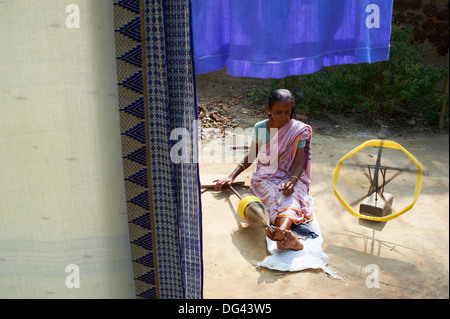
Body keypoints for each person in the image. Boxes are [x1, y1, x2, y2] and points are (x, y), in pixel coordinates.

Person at [214, 89, 313, 251]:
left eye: (287, 112)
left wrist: (292, 181)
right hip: (265, 176)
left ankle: (283, 232)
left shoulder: (297, 131)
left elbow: (299, 163)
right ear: (268, 109)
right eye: (278, 112)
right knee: (272, 198)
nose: (283, 117)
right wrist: (231, 176)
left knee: (291, 196)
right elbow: (251, 155)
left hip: (290, 175)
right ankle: (287, 236)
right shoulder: (260, 128)